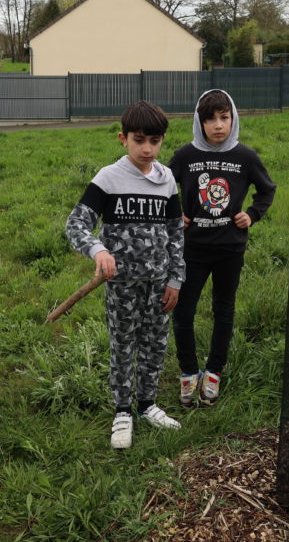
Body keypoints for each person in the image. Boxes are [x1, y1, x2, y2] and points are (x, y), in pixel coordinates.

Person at [65, 100, 186, 449]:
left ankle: (148, 404)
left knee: (155, 345)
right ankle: (122, 411)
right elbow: (76, 224)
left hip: (160, 285)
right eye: (139, 140)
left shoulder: (167, 181)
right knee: (123, 345)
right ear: (123, 138)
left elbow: (176, 233)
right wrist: (98, 249)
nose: (147, 148)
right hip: (121, 286)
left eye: (155, 140)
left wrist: (175, 278)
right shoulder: (108, 178)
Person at [167, 90, 276, 407]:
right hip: (192, 250)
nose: (218, 125)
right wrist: (175, 214)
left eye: (224, 118)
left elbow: (267, 190)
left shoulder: (245, 157)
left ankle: (213, 371)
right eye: (210, 119)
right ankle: (188, 373)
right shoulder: (185, 156)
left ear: (233, 119)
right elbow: (159, 185)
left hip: (230, 249)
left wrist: (252, 214)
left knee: (223, 310)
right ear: (199, 122)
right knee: (183, 312)